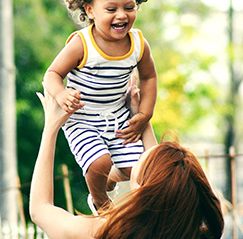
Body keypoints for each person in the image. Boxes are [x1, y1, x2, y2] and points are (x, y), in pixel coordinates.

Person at [43, 0, 157, 211]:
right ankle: (101, 202)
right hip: (83, 118)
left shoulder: (139, 44)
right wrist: (61, 94)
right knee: (99, 163)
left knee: (136, 170)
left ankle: (109, 179)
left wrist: (144, 115)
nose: (121, 15)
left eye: (129, 7)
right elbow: (52, 74)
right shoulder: (82, 44)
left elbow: (149, 78)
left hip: (117, 116)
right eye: (111, 9)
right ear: (90, 10)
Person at [30, 85, 224, 239]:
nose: (138, 156)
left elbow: (40, 210)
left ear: (142, 189)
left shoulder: (104, 232)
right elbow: (160, 177)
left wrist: (51, 128)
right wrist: (139, 116)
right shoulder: (200, 232)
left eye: (137, 165)